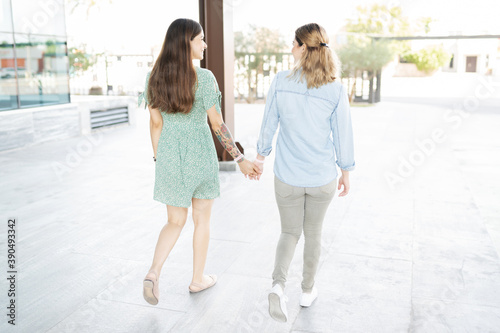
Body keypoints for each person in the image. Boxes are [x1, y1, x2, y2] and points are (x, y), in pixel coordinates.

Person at [138, 18, 260, 306]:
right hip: (200, 154)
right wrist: (239, 158)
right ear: (186, 42)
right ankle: (197, 279)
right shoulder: (204, 78)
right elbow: (217, 124)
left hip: (169, 153)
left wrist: (160, 157)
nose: (204, 45)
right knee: (201, 219)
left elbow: (156, 124)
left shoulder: (153, 78)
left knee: (174, 221)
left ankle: (153, 273)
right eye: (200, 39)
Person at [253, 23, 355, 322]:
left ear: (300, 47)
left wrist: (260, 157)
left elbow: (269, 123)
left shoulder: (280, 81)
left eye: (292, 43)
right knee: (313, 235)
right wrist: (346, 171)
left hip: (287, 176)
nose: (290, 48)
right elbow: (343, 134)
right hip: (322, 177)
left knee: (288, 232)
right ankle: (307, 291)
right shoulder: (335, 88)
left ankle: (277, 285)